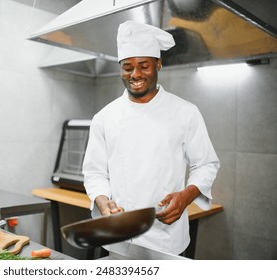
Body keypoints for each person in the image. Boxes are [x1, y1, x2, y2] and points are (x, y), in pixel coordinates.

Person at [82, 20, 220, 255]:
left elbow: (205, 164)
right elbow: (95, 172)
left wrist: (186, 196)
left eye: (143, 65)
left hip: (166, 238)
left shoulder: (185, 112)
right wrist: (102, 201)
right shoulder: (104, 117)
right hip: (118, 237)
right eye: (127, 67)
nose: (135, 74)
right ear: (120, 69)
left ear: (158, 65)